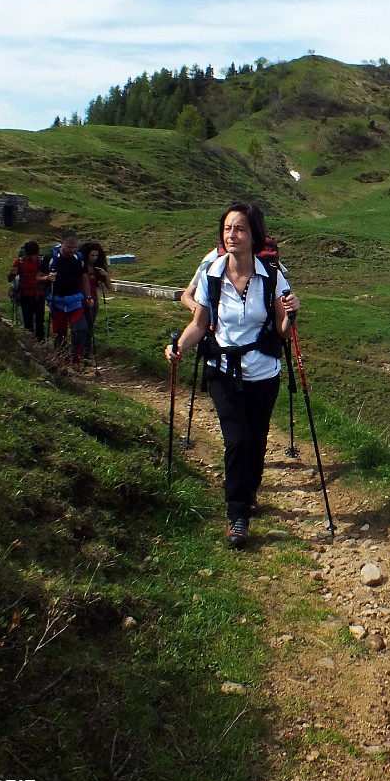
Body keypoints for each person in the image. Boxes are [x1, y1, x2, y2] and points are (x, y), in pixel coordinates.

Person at [166, 202, 299, 548]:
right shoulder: (212, 273)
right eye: (227, 229)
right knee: (237, 440)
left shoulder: (271, 275)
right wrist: (179, 345)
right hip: (223, 371)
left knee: (256, 440)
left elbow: (282, 332)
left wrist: (290, 317)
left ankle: (250, 488)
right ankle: (237, 515)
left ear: (254, 234)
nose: (232, 235)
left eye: (239, 229)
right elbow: (199, 324)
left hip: (264, 372)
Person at [41, 231, 91, 371]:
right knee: (59, 332)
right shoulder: (50, 258)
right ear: (61, 243)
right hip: (57, 301)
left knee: (80, 329)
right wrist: (47, 278)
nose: (72, 250)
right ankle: (61, 360)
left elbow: (85, 278)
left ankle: (77, 360)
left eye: (75, 247)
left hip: (75, 300)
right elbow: (38, 277)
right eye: (69, 247)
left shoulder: (79, 258)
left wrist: (88, 296)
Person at [8, 240, 46, 340]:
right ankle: (30, 343)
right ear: (26, 254)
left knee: (39, 320)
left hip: (39, 294)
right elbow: (10, 279)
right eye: (30, 255)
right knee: (27, 321)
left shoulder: (41, 261)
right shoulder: (19, 262)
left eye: (34, 255)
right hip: (25, 295)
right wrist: (13, 274)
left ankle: (40, 342)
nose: (32, 258)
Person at [80, 241, 114, 340]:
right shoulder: (80, 266)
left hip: (93, 302)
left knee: (89, 328)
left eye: (96, 255)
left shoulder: (98, 269)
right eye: (92, 255)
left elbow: (109, 286)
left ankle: (87, 350)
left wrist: (105, 275)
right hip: (80, 301)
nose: (94, 258)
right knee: (80, 328)